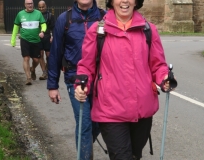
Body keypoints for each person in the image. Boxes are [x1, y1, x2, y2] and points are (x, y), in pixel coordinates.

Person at [74, 0, 175, 160]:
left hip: (142, 110)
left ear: (136, 2)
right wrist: (81, 85)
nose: (125, 1)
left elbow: (158, 65)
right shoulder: (98, 31)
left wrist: (164, 77)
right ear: (112, 2)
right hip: (110, 110)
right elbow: (86, 66)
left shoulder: (148, 30)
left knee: (134, 156)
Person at [47, 0, 105, 159]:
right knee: (84, 123)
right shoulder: (64, 20)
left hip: (101, 79)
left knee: (101, 122)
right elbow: (56, 52)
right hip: (75, 78)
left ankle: (84, 147)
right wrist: (52, 85)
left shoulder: (104, 17)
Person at [11, 0, 47, 85]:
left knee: (36, 59)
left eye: (31, 3)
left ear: (33, 4)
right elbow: (15, 27)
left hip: (36, 40)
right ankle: (28, 78)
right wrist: (13, 40)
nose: (30, 5)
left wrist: (42, 31)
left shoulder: (38, 13)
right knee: (26, 58)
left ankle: (33, 68)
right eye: (28, 4)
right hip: (25, 39)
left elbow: (43, 24)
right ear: (25, 5)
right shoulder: (20, 14)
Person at [37, 0, 55, 80]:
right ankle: (44, 72)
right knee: (40, 55)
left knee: (49, 56)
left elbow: (54, 27)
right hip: (38, 37)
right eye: (40, 7)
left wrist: (53, 36)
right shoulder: (35, 15)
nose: (41, 8)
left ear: (45, 6)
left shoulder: (50, 15)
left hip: (47, 36)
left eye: (43, 7)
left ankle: (47, 70)